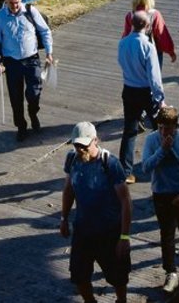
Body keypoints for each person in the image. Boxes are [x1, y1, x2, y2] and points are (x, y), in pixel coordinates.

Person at [59, 121, 132, 303]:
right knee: (79, 275)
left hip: (109, 232)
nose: (80, 149)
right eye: (77, 145)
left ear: (95, 141)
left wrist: (124, 237)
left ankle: (121, 300)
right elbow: (68, 190)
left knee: (118, 276)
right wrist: (64, 218)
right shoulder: (72, 159)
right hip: (83, 230)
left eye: (84, 145)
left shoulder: (110, 163)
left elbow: (125, 201)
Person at [132, 106, 179, 294]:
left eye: (167, 128)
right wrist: (162, 150)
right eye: (160, 127)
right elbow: (145, 167)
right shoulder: (152, 140)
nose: (163, 132)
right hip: (161, 193)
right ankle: (171, 272)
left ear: (175, 127)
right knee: (166, 233)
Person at [0, 0, 55, 141]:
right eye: (11, 3)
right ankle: (21, 126)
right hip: (12, 62)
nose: (15, 6)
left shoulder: (30, 11)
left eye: (17, 2)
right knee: (15, 97)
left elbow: (45, 31)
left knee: (34, 92)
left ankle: (33, 112)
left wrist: (49, 52)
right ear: (6, 1)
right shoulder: (0, 17)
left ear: (21, 0)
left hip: (31, 60)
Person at [116, 11, 165, 182]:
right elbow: (154, 76)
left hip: (129, 89)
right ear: (148, 26)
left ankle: (125, 171)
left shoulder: (122, 43)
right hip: (146, 91)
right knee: (160, 128)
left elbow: (120, 62)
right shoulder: (148, 46)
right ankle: (162, 162)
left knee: (129, 131)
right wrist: (160, 99)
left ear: (132, 24)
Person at [122, 0, 176, 64]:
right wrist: (171, 51)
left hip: (135, 52)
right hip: (152, 52)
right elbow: (162, 35)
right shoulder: (155, 15)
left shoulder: (130, 15)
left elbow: (126, 34)